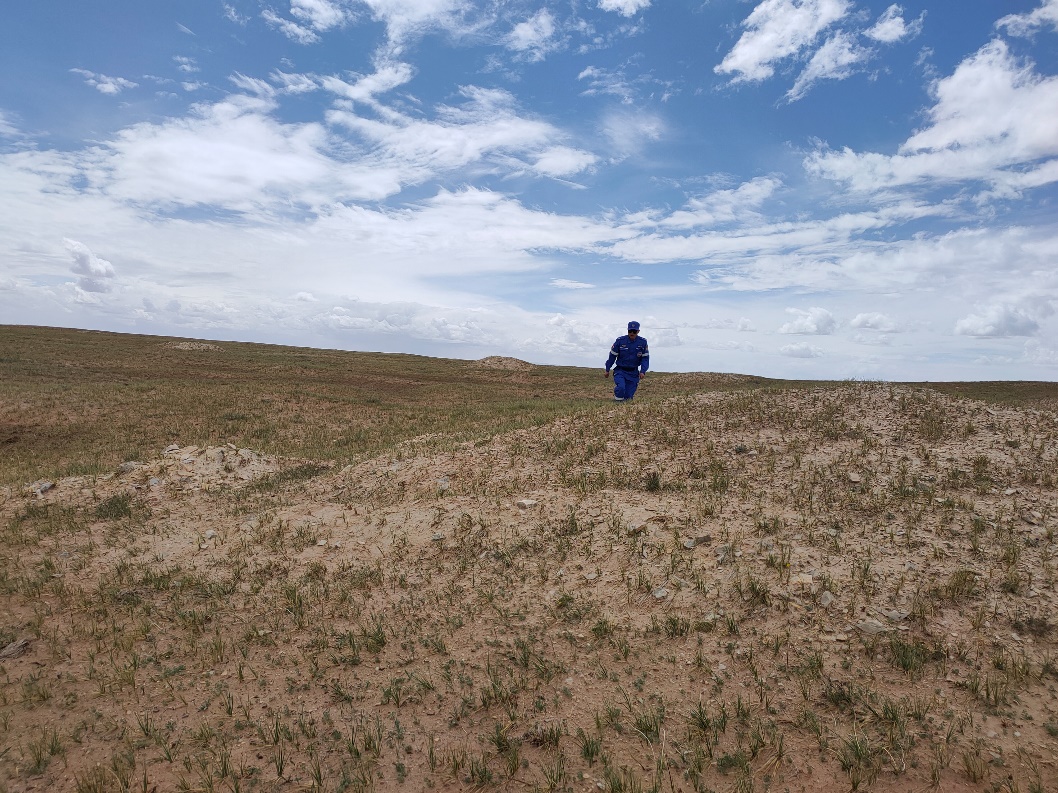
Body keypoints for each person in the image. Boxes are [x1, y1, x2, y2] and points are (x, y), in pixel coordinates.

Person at [604, 321, 649, 401]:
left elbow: (645, 359)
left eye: (634, 331)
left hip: (633, 373)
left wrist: (643, 371)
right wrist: (607, 369)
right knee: (621, 388)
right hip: (620, 370)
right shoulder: (620, 341)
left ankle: (623, 409)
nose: (632, 333)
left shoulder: (642, 342)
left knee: (628, 397)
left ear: (638, 331)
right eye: (630, 331)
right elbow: (612, 356)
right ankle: (616, 405)